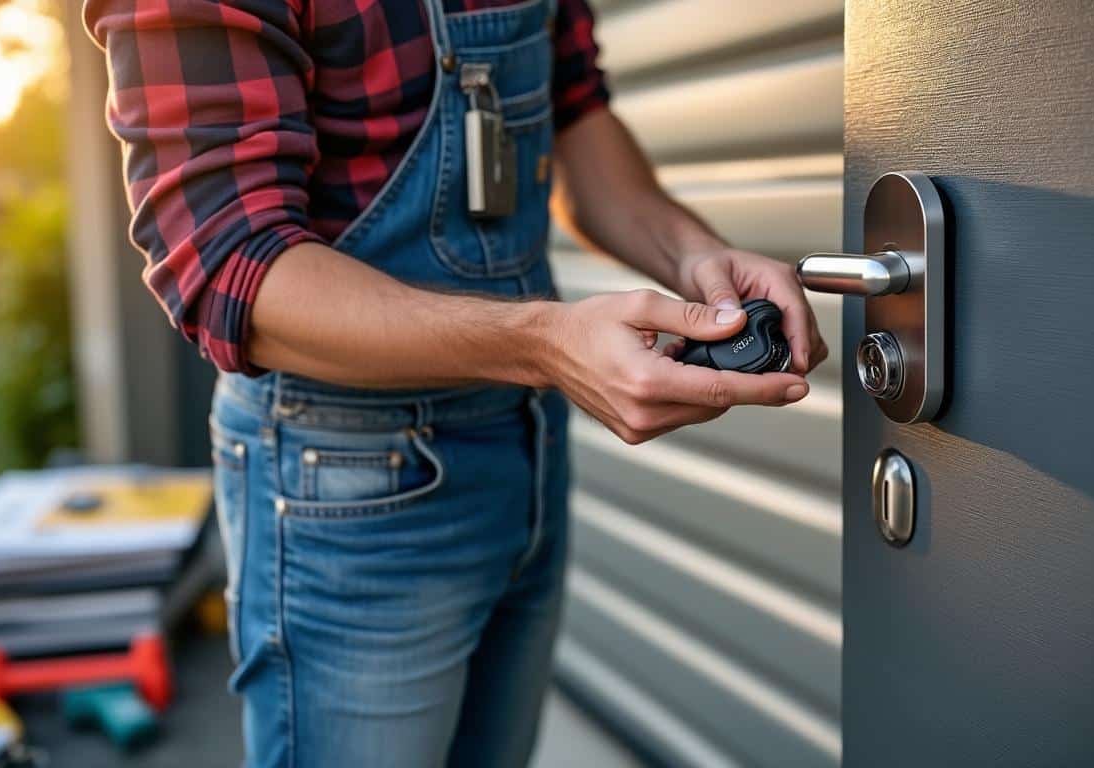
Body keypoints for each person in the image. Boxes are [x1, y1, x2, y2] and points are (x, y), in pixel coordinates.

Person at [84, 0, 827, 765]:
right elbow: (229, 266)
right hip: (346, 490)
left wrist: (696, 257)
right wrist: (542, 344)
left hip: (525, 444)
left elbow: (576, 112)